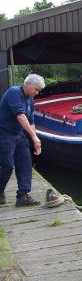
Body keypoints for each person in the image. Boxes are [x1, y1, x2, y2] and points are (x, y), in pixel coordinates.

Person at [0, 74, 45, 206]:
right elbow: (20, 116)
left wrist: (35, 141)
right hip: (4, 132)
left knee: (25, 162)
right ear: (28, 84)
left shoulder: (30, 100)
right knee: (7, 165)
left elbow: (31, 121)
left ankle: (23, 196)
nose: (37, 93)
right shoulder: (14, 93)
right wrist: (34, 137)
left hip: (18, 134)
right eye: (36, 89)